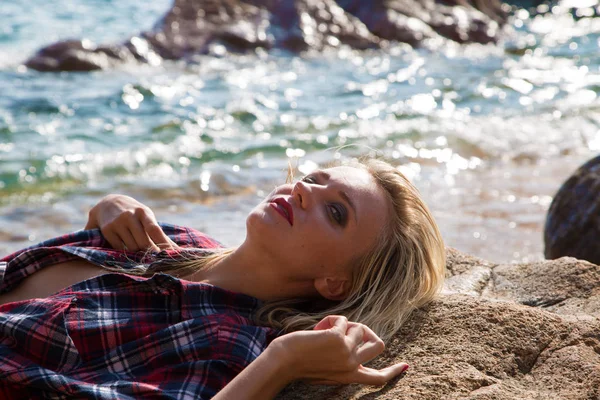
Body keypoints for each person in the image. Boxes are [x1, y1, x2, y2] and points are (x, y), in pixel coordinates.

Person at [0, 158, 446, 399]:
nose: (304, 190)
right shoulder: (172, 239)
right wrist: (104, 210)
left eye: (336, 211)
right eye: (313, 178)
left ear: (336, 283)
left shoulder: (228, 346)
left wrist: (282, 362)